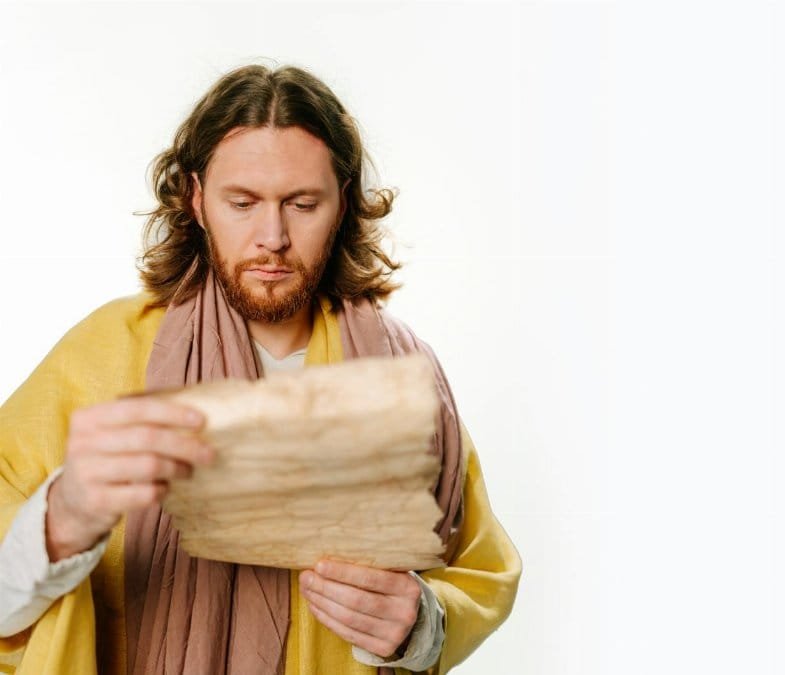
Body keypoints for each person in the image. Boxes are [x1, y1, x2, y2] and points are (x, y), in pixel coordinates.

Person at [0, 63, 521, 675]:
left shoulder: (405, 374)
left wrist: (424, 624)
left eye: (302, 204)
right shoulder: (105, 355)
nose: (271, 237)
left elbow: (479, 571)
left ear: (343, 203)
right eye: (242, 203)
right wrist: (60, 522)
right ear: (196, 199)